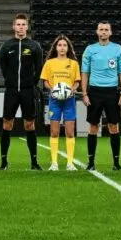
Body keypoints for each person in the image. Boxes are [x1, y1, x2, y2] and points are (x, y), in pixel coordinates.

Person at [0, 14, 44, 171]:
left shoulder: (34, 46)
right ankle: (4, 162)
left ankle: (34, 162)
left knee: (29, 125)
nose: (21, 27)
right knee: (7, 124)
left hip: (27, 91)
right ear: (14, 27)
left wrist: (31, 83)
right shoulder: (7, 46)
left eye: (24, 24)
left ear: (27, 26)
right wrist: (10, 81)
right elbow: (3, 66)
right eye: (18, 24)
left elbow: (39, 68)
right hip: (11, 91)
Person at [80, 21, 121, 171]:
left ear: (111, 32)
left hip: (112, 92)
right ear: (97, 32)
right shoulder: (90, 50)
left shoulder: (117, 49)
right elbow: (85, 73)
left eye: (106, 29)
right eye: (101, 29)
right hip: (94, 92)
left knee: (114, 127)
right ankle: (91, 163)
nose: (104, 32)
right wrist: (85, 93)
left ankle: (116, 163)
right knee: (93, 127)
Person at [38, 35, 81, 171]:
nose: (62, 48)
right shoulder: (49, 63)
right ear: (55, 47)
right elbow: (45, 82)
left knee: (69, 132)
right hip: (54, 100)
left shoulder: (73, 64)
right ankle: (54, 164)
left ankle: (70, 163)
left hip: (69, 101)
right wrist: (52, 90)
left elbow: (77, 82)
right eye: (59, 45)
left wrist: (71, 90)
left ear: (68, 48)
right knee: (54, 132)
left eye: (64, 45)